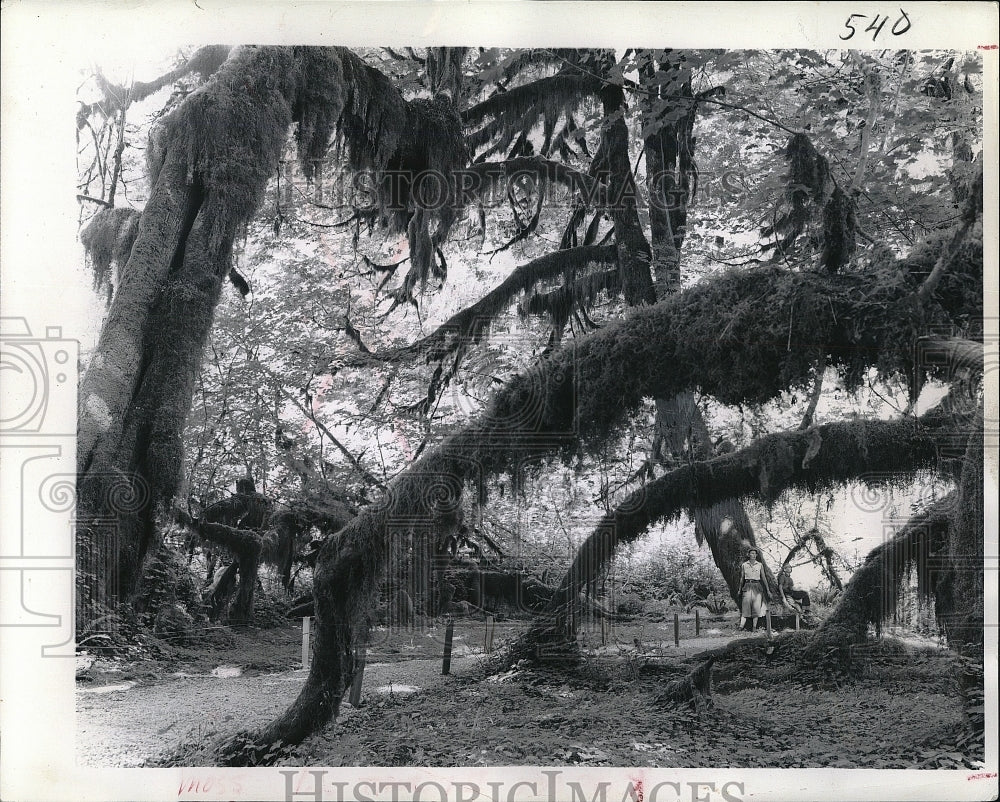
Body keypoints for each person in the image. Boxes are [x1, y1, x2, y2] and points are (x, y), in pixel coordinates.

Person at [738, 547, 769, 631]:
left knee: (756, 606)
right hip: (747, 585)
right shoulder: (744, 565)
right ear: (748, 555)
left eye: (755, 554)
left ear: (757, 555)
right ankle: (741, 627)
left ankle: (754, 627)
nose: (753, 555)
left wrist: (768, 589)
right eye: (752, 553)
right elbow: (742, 578)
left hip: (757, 586)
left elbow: (763, 577)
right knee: (745, 606)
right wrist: (739, 589)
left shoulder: (760, 565)